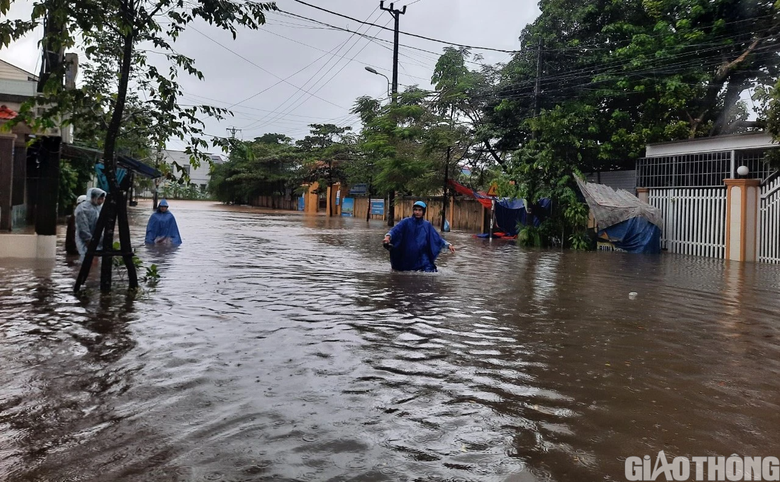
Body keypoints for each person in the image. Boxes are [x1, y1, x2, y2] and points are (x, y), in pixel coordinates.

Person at [382, 200, 455, 272]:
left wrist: (448, 245)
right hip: (407, 257)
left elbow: (436, 238)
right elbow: (395, 230)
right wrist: (387, 237)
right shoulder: (406, 222)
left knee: (429, 273)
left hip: (422, 258)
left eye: (420, 210)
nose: (417, 212)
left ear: (423, 212)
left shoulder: (427, 225)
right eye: (415, 210)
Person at [74, 188, 106, 263]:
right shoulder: (83, 209)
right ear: (93, 197)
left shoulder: (98, 208)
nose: (101, 201)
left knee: (95, 265)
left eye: (102, 199)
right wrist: (89, 242)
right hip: (87, 242)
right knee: (87, 262)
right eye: (99, 198)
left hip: (97, 242)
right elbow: (83, 229)